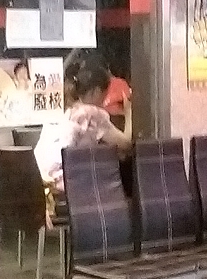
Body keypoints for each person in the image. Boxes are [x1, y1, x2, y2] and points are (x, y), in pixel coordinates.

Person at [34, 61, 133, 190]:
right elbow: (126, 145)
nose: (104, 101)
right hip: (73, 187)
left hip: (42, 182)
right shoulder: (91, 114)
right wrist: (128, 113)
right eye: (104, 95)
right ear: (96, 91)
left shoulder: (60, 109)